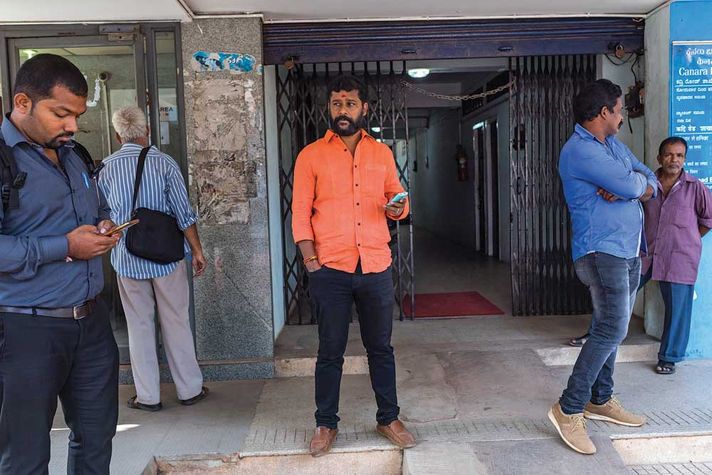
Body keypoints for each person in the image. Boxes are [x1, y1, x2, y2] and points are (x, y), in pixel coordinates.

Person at [0, 54, 120, 473]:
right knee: (25, 452)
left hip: (90, 323)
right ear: (23, 102)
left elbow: (97, 205)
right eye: (61, 113)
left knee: (96, 438)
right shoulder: (3, 160)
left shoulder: (73, 154)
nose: (72, 125)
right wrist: (65, 246)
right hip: (25, 329)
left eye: (78, 115)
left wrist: (103, 224)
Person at [292, 75, 416, 457]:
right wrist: (311, 260)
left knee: (381, 348)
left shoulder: (380, 153)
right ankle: (325, 423)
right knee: (331, 350)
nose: (342, 111)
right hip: (330, 267)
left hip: (375, 264)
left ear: (364, 109)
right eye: (336, 104)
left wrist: (399, 207)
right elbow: (300, 212)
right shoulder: (311, 155)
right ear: (328, 109)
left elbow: (397, 197)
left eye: (349, 104)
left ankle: (388, 417)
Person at [549, 79, 657, 455]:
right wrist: (633, 185)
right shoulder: (581, 151)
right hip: (602, 252)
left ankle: (601, 398)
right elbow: (633, 185)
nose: (623, 115)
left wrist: (636, 184)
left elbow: (650, 179)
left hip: (627, 250)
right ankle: (569, 408)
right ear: (603, 113)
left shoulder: (610, 145)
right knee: (612, 328)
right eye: (620, 108)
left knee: (608, 327)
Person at [99, 106, 208, 412]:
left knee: (139, 326)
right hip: (166, 257)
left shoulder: (106, 167)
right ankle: (189, 389)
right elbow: (184, 215)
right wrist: (197, 251)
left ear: (118, 135)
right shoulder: (164, 163)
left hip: (128, 258)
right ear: (147, 131)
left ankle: (148, 396)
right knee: (176, 320)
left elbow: (102, 215)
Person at [640, 136, 712, 374]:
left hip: (679, 256)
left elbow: (707, 220)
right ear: (659, 158)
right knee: (618, 291)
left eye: (679, 155)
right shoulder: (646, 185)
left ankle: (668, 358)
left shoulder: (695, 187)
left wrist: (687, 239)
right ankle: (597, 335)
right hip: (647, 253)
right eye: (669, 154)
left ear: (684, 159)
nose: (674, 160)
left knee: (678, 308)